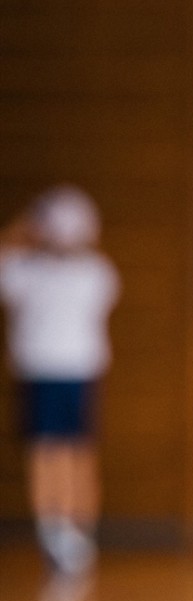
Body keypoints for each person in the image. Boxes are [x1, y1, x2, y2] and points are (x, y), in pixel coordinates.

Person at [0, 185, 120, 575]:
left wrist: (25, 231)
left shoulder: (83, 274)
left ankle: (72, 532)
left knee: (65, 452)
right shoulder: (79, 273)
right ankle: (61, 533)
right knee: (58, 451)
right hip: (49, 371)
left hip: (67, 371)